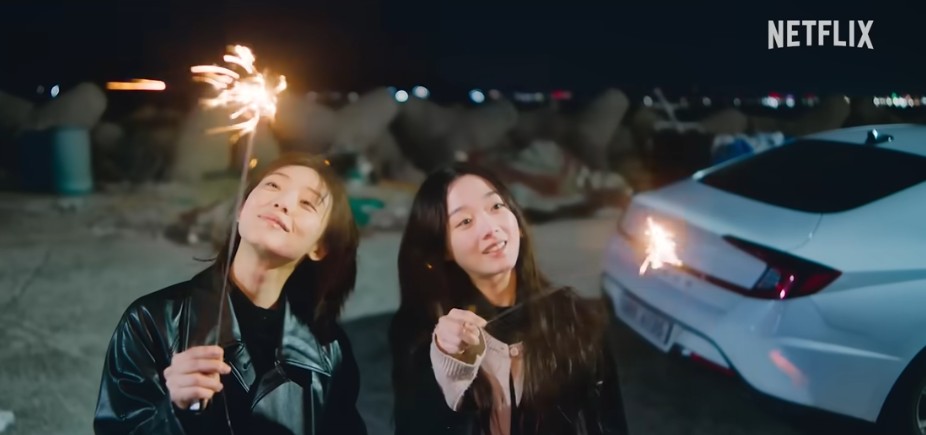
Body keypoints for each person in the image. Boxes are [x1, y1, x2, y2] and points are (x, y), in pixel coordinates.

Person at [94, 153, 368, 435]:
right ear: (241, 209)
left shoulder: (329, 349)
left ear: (320, 247)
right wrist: (175, 412)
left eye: (307, 203)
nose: (283, 202)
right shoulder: (150, 323)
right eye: (273, 185)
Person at [389, 162, 629, 435]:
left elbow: (610, 422)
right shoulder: (423, 333)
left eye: (496, 207)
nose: (490, 228)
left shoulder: (576, 317)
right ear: (443, 249)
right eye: (465, 221)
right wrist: (449, 363)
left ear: (518, 221)